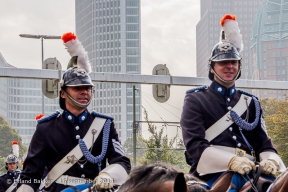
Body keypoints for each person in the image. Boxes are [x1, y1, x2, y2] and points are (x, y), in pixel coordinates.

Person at [180, 14, 286, 190]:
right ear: (212, 67)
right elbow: (195, 145)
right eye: (223, 62)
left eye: (234, 62)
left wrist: (269, 160)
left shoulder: (251, 102)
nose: (229, 66)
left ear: (239, 66)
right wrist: (231, 161)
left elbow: (264, 143)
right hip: (212, 174)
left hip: (251, 173)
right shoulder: (195, 99)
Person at [17, 32, 131, 192]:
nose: (84, 92)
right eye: (78, 88)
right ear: (63, 93)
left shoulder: (104, 125)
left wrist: (108, 175)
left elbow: (121, 161)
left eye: (88, 88)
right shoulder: (46, 128)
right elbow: (30, 176)